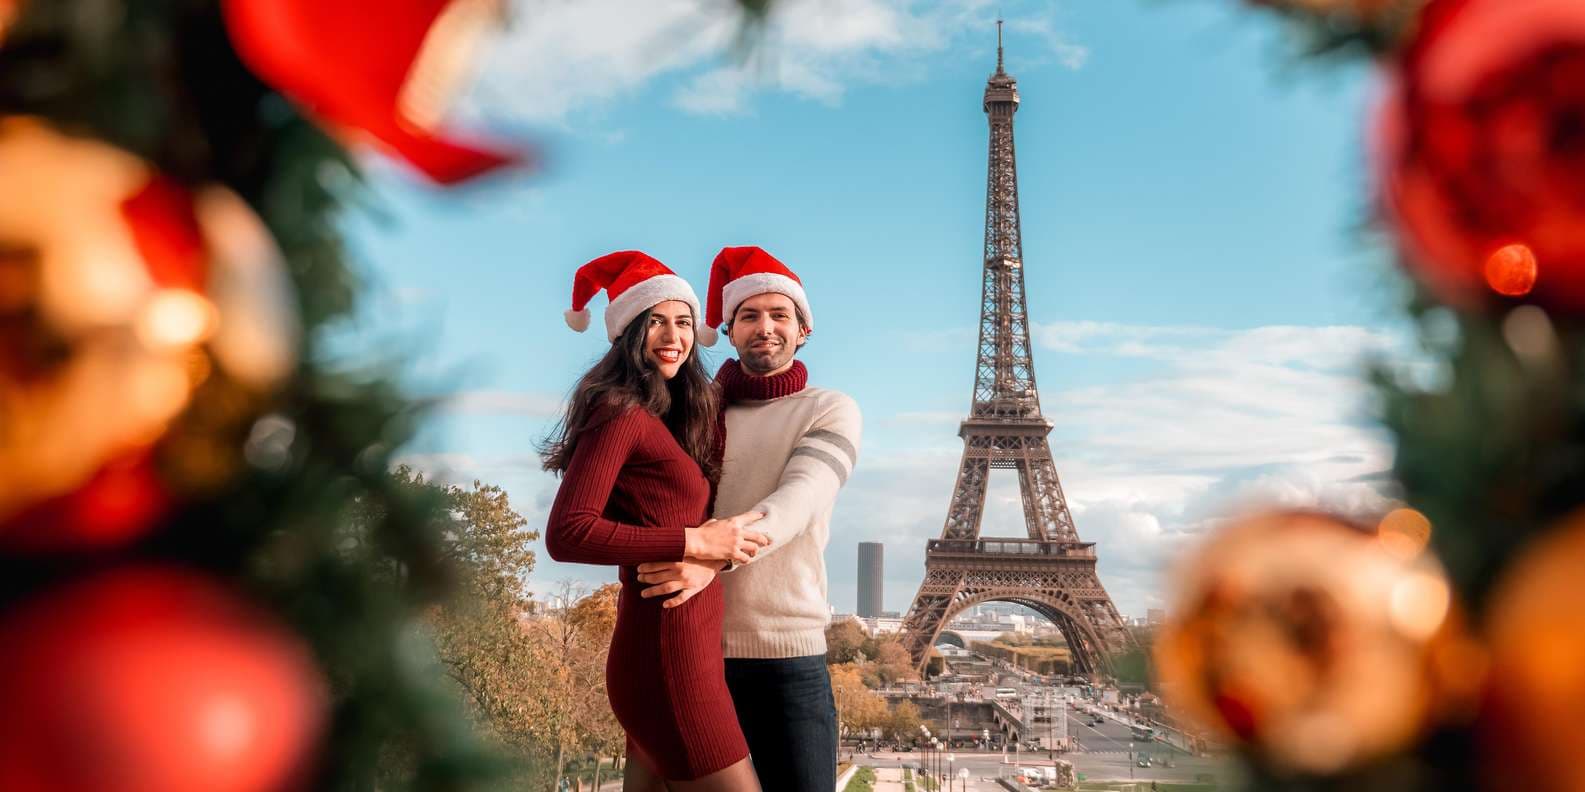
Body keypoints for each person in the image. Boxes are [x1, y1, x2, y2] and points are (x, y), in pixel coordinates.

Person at [635, 246, 862, 792]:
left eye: (779, 314)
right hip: (693, 646)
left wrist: (711, 561)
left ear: (803, 329)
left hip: (789, 659)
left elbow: (797, 501)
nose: (765, 327)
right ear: (729, 331)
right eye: (749, 315)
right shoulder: (691, 411)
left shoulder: (829, 409)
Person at [542, 250, 769, 791]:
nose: (673, 335)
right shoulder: (620, 410)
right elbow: (568, 531)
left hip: (677, 652)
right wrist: (694, 539)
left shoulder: (661, 413)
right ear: (629, 331)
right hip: (670, 662)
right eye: (656, 321)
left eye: (684, 321)